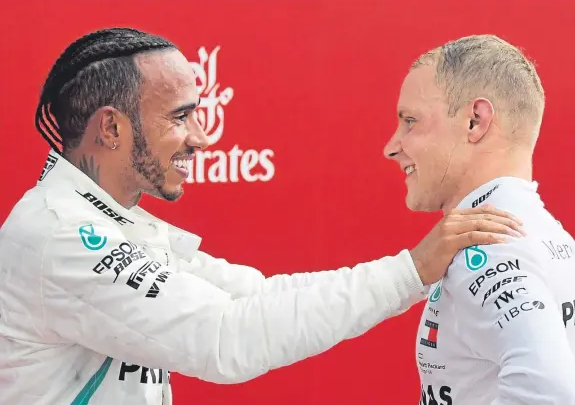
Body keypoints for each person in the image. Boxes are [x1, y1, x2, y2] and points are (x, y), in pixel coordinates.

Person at [0, 28, 524, 405]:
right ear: (111, 130)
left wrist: (410, 270)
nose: (202, 138)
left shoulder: (105, 220)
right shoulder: (61, 235)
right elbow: (228, 339)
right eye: (180, 116)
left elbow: (258, 295)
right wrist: (413, 269)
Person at [384, 34, 575, 405]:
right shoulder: (551, 235)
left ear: (475, 121)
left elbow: (549, 394)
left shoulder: (488, 246)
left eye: (411, 121)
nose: (392, 146)